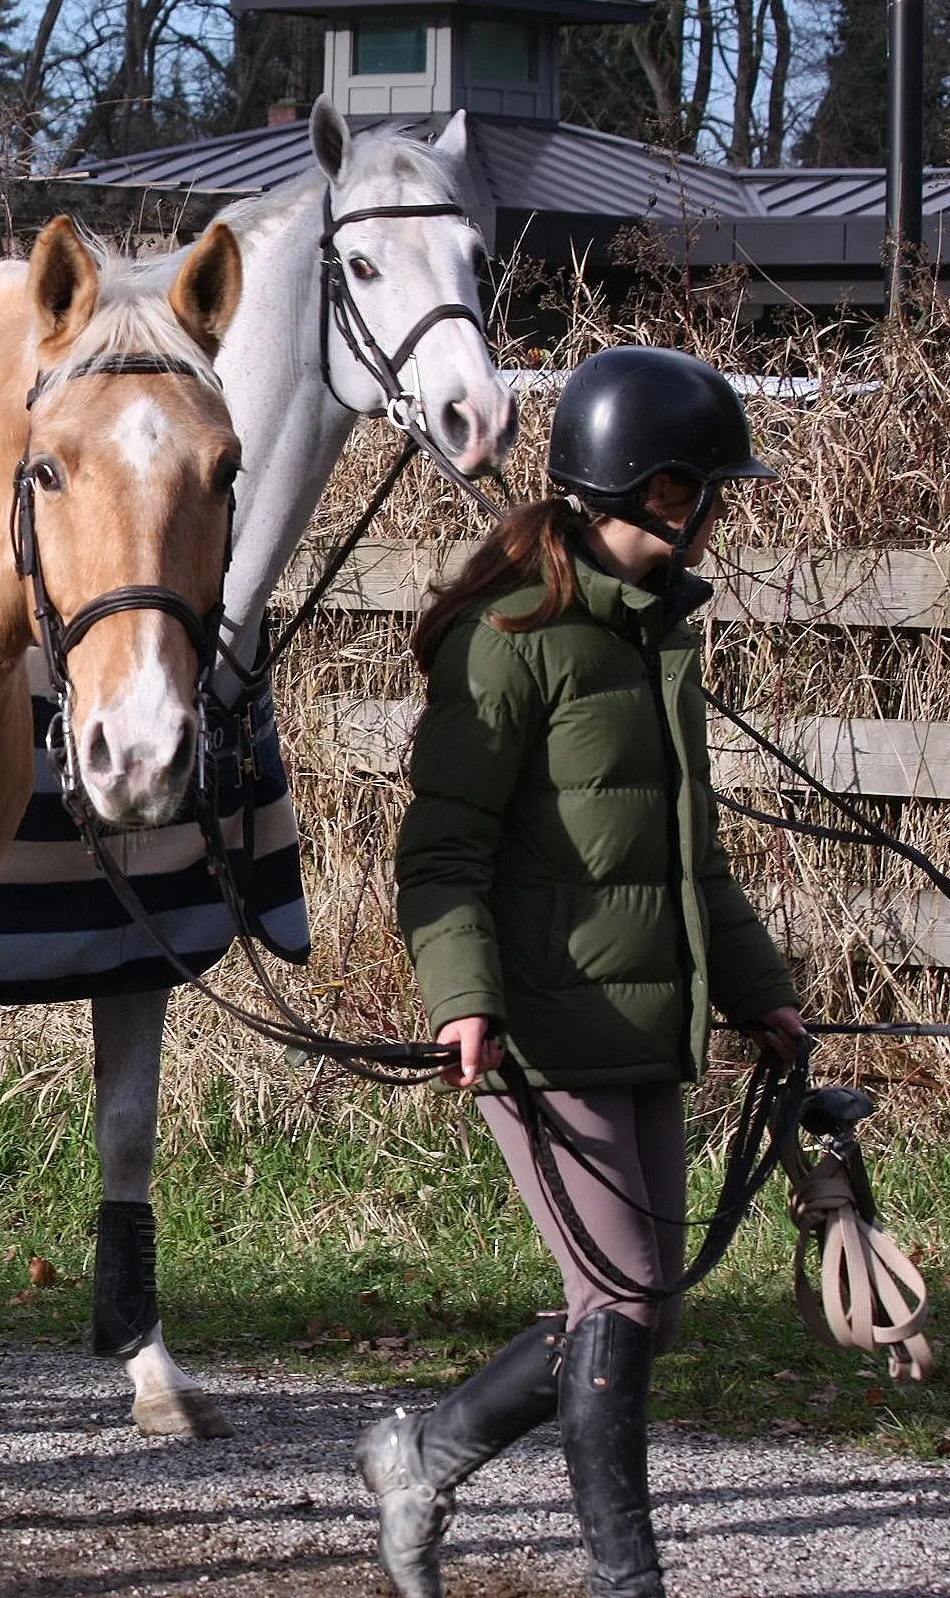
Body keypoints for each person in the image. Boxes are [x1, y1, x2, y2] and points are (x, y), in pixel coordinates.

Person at [357, 346, 807, 1598]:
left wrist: (757, 990)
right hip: (542, 1028)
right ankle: (627, 1579)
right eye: (692, 492)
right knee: (615, 1297)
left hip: (650, 1019)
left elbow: (689, 856)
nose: (711, 514)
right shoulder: (511, 640)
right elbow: (440, 850)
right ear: (636, 486)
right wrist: (464, 997)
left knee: (644, 1308)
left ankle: (423, 1453)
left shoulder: (657, 643)